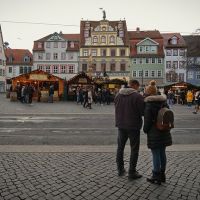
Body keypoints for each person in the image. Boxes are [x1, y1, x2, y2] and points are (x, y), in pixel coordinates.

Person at [143, 80, 172, 185]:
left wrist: (145, 130)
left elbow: (147, 122)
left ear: (149, 93)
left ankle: (156, 175)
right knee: (162, 152)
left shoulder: (149, 104)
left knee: (155, 153)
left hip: (154, 132)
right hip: (164, 130)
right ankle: (162, 174)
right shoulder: (163, 101)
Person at [114, 79, 144, 180]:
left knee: (120, 148)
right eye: (138, 87)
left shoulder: (118, 95)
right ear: (135, 85)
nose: (138, 89)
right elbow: (143, 112)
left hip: (121, 125)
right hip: (133, 126)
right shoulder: (137, 96)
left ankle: (120, 169)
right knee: (134, 149)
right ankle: (132, 172)